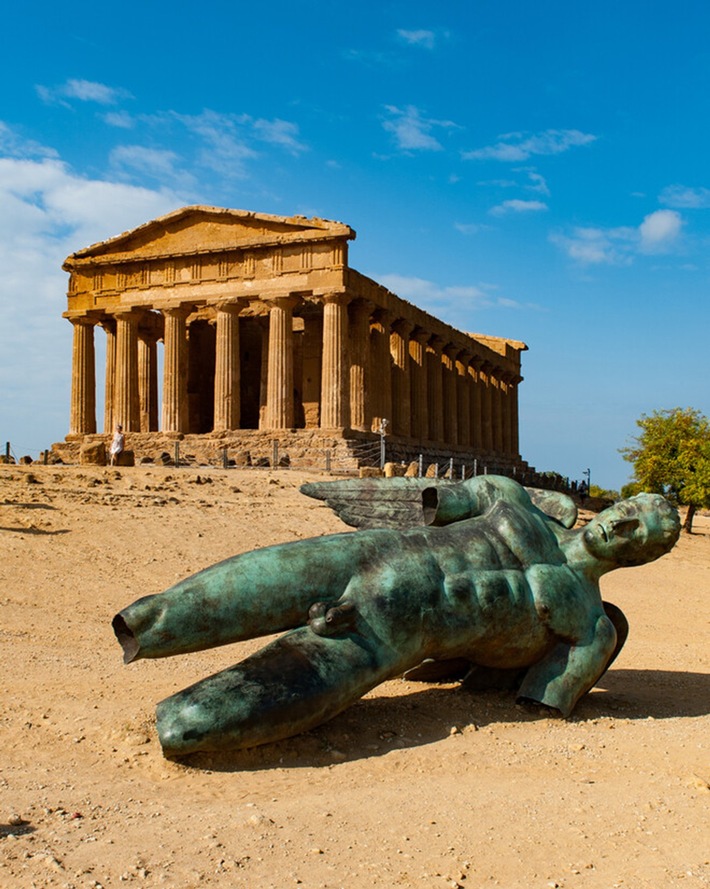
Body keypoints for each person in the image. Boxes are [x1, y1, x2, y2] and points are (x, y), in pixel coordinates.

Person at [113, 475, 680, 756]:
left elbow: (543, 697)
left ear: (642, 557)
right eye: (628, 510)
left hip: (396, 631)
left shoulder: (592, 628)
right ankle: (143, 631)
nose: (622, 525)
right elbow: (430, 500)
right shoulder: (517, 501)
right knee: (167, 613)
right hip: (370, 553)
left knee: (189, 726)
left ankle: (182, 721)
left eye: (639, 535)